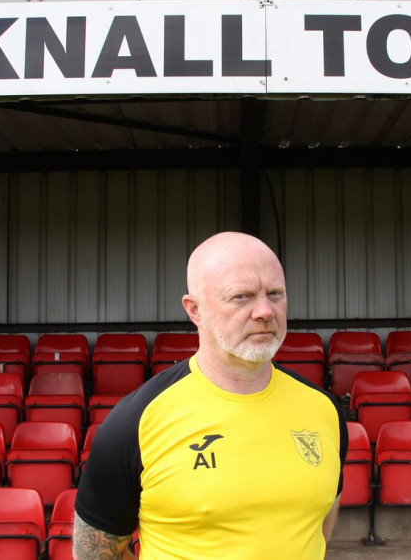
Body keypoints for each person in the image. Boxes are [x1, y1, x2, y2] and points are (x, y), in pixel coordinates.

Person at [74, 231, 348, 559]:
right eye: (241, 297)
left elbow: (317, 525)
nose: (265, 310)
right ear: (195, 310)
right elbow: (95, 553)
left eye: (275, 294)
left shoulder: (323, 410)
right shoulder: (136, 421)